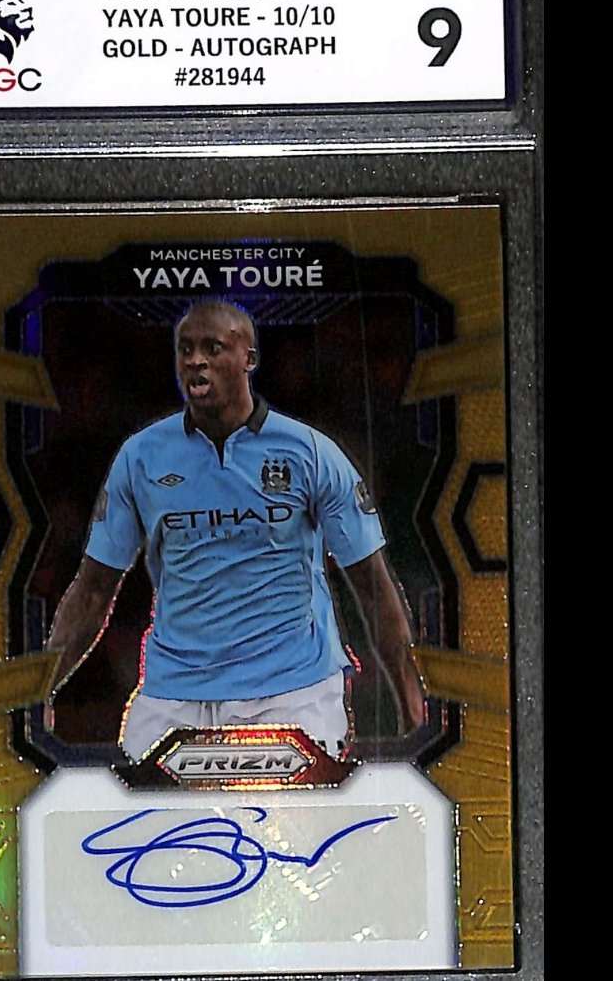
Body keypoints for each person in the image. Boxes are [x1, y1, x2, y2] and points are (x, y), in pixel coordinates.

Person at [44, 299, 425, 761]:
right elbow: (91, 591)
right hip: (173, 692)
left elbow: (373, 587)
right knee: (138, 806)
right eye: (185, 349)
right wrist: (41, 690)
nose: (196, 361)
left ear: (249, 358)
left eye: (213, 348)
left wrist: (413, 707)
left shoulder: (310, 453)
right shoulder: (141, 457)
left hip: (293, 690)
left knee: (289, 811)